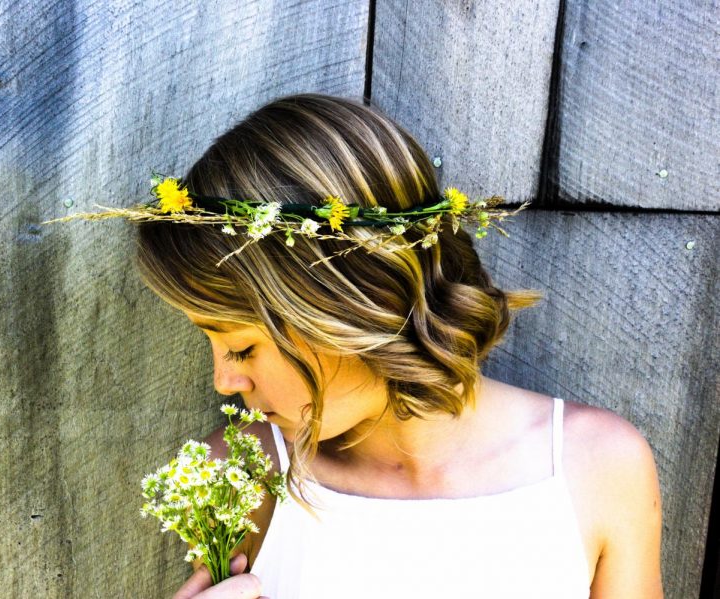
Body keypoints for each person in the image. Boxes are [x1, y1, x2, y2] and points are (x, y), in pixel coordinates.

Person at [131, 94, 663, 598]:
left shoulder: (593, 468)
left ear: (353, 307)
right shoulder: (241, 477)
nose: (224, 382)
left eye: (243, 348)